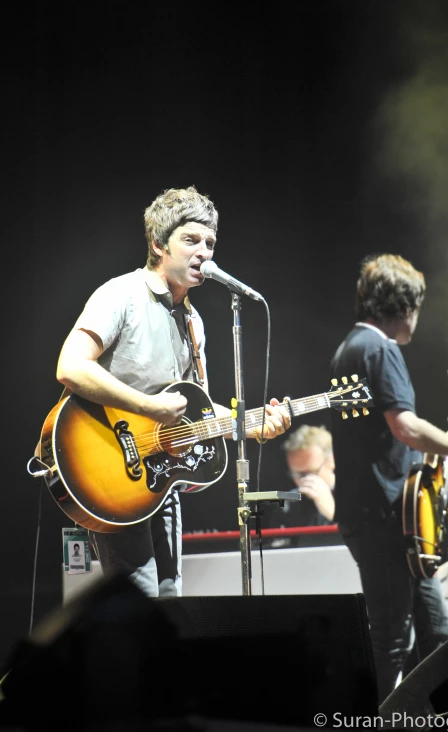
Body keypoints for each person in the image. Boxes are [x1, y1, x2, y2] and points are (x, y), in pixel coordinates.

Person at [55, 186, 291, 598]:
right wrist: (148, 405)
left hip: (161, 480)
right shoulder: (121, 295)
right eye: (191, 240)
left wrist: (252, 426)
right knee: (141, 605)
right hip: (111, 469)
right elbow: (71, 367)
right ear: (158, 243)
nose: (204, 252)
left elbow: (195, 409)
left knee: (169, 601)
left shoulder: (193, 322)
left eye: (210, 243)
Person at [330, 253, 448, 704]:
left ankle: (425, 713)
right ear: (403, 307)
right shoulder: (381, 349)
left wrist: (441, 445)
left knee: (435, 629)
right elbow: (404, 426)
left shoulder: (348, 348)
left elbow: (385, 439)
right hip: (385, 519)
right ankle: (376, 718)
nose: (416, 320)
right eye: (416, 308)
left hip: (384, 517)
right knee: (390, 641)